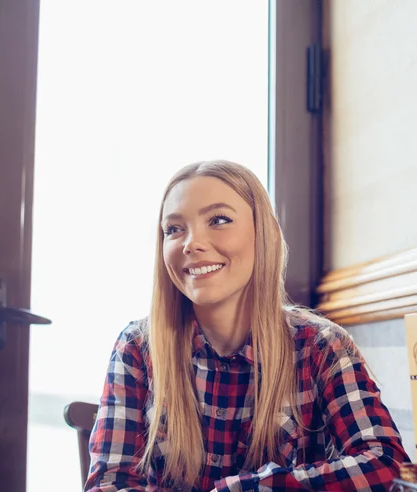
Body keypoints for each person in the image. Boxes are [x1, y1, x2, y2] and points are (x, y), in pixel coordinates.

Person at [85, 160, 410, 491]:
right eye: (174, 229)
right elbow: (110, 483)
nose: (191, 243)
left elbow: (387, 465)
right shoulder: (138, 346)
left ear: (264, 233)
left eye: (219, 220)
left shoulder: (321, 345)